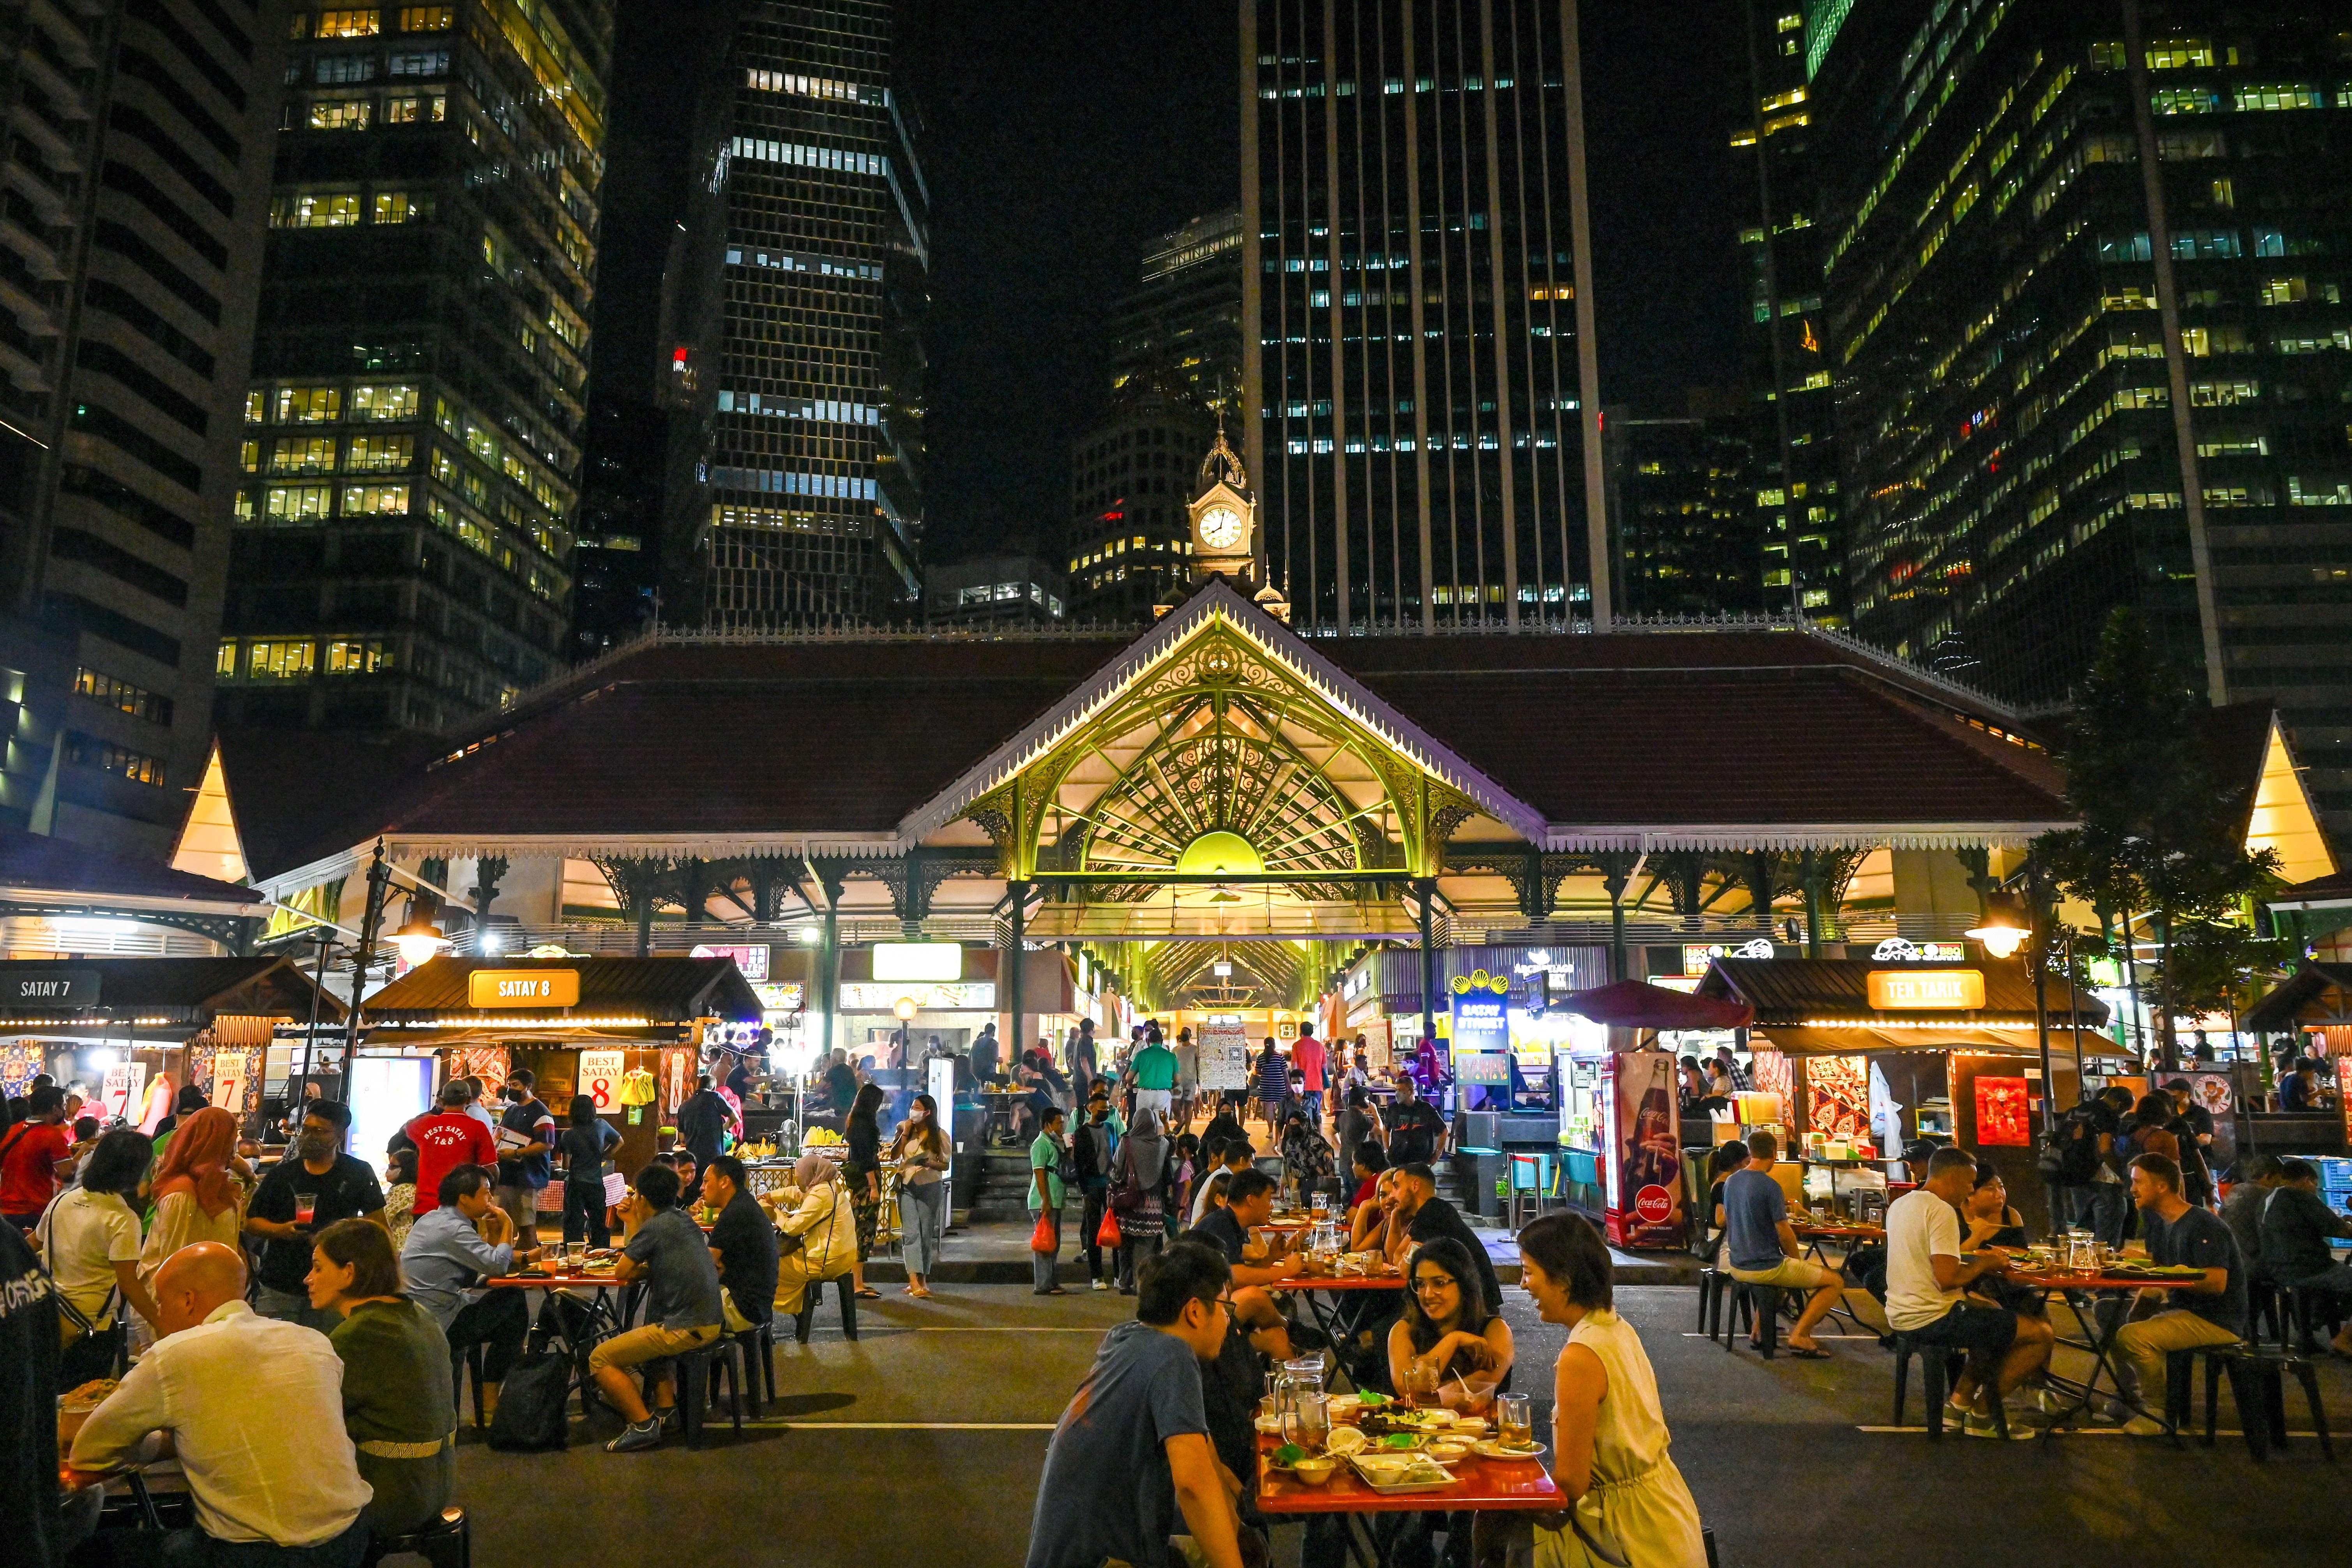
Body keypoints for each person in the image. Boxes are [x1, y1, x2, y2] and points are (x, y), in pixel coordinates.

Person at [70, 1241, 372, 1568]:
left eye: (160, 1302)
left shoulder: (175, 1355)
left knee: (96, 1550)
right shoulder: (314, 1342)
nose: (157, 1314)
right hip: (350, 1540)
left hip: (257, 1556)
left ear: (188, 1300)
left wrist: (153, 1445)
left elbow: (89, 1451)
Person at [1490, 1213, 1708, 1568]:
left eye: (1529, 1272)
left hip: (1624, 1535)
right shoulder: (1615, 1328)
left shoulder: (1580, 1355)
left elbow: (1571, 1484)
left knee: (1498, 1530)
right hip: (1667, 1517)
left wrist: (1508, 1492)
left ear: (1563, 1280)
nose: (1523, 1284)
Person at [1024, 1241, 1247, 1568]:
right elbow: (1193, 1486)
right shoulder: (1173, 1357)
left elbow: (1205, 1453)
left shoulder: (1127, 1338)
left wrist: (1238, 1520)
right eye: (1226, 1307)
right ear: (1195, 1311)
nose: (1229, 1320)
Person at [1884, 1147, 2051, 1438]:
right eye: (1969, 1182)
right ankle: (1984, 1414)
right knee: (2041, 1334)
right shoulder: (1941, 1211)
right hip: (1934, 1318)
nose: (1970, 1190)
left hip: (1900, 1313)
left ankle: (1959, 1405)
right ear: (1953, 1177)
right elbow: (1948, 1279)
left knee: (1991, 1314)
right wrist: (1987, 1261)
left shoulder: (1901, 1204)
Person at [307, 1218, 454, 1539]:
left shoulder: (361, 1332)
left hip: (392, 1496)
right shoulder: (418, 1315)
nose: (308, 1279)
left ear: (349, 1272)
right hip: (435, 1483)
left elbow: (317, 1420)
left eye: (318, 1268)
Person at [2102, 1152, 2248, 1434]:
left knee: (2132, 1336)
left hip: (2215, 1318)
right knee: (2108, 1312)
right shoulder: (2160, 1222)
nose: (2132, 1189)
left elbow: (2217, 1282)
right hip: (2181, 1310)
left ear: (2162, 1186)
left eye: (2138, 1182)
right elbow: (2158, 1274)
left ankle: (2160, 1412)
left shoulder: (2203, 1224)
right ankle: (2131, 1397)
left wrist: (2164, 1278)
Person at [593, 1161, 724, 1452]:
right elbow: (650, 1260)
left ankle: (642, 1425)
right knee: (648, 1335)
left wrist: (631, 1222)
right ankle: (667, 1410)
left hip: (688, 1325)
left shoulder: (656, 1226)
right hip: (710, 1319)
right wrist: (633, 1222)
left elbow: (622, 1271)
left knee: (600, 1358)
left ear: (642, 1197)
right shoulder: (681, 1219)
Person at [401, 1162, 538, 1425]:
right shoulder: (454, 1229)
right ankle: (491, 1401)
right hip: (438, 1321)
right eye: (486, 1192)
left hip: (418, 1313)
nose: (490, 1199)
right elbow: (497, 1265)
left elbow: (478, 1269)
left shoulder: (431, 1219)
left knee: (509, 1310)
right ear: (464, 1198)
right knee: (513, 1302)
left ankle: (492, 1396)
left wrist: (499, 1241)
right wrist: (508, 1226)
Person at [244, 1100, 387, 1333]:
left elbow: (378, 1227)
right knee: (274, 1355)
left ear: (340, 1136)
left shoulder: (358, 1173)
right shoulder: (283, 1175)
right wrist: (280, 1231)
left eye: (319, 1131)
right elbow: (252, 1222)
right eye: (306, 1129)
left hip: (334, 1288)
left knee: (327, 1353)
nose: (308, 1137)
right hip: (281, 1284)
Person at [1718, 1130, 1844, 1357]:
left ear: (1751, 1152)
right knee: (1835, 1281)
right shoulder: (1770, 1186)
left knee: (1780, 1278)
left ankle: (1758, 1331)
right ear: (1774, 1154)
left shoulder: (1731, 1182)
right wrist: (1797, 1261)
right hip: (1765, 1267)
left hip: (1737, 1265)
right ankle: (1801, 1336)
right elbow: (1784, 1232)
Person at [37, 1128, 160, 1358]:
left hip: (51, 1316)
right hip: (94, 1324)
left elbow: (33, 1243)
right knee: (88, 1392)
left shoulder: (61, 1201)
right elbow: (128, 1283)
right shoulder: (123, 1219)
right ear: (135, 1172)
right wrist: (161, 1323)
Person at [1388, 1236, 1513, 1411]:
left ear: (1464, 1284)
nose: (1428, 1294)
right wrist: (1453, 1340)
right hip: (1420, 1433)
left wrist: (1432, 1392)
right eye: (1420, 1284)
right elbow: (1408, 1391)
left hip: (1479, 1435)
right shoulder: (1404, 1330)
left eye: (1439, 1283)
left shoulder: (1496, 1330)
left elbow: (1472, 1393)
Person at [141, 1107, 251, 1300]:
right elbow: (171, 1262)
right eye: (229, 1140)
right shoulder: (182, 1194)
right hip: (179, 1304)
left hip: (210, 1297)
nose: (233, 1151)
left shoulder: (220, 1187)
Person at [2257, 1157, 2352, 1354]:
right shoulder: (2301, 1197)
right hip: (2308, 1268)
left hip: (2276, 1268)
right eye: (2315, 1185)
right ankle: (2345, 1339)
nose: (2315, 1190)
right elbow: (2341, 1231)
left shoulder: (2267, 1199)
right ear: (2307, 1180)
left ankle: (2319, 1325)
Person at [1388, 1162, 1504, 1314]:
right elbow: (1396, 1257)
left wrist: (1403, 1260)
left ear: (1415, 1185)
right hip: (1471, 1303)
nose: (1392, 1195)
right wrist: (1394, 1216)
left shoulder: (1432, 1214)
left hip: (1474, 1311)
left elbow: (1404, 1270)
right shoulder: (1433, 1211)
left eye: (1396, 1186)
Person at [765, 1152, 860, 1312]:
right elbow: (798, 1192)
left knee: (770, 1266)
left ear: (810, 1175)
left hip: (827, 1261)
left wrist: (774, 1213)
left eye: (798, 1176)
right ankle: (799, 1310)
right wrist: (771, 1196)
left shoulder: (821, 1195)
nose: (797, 1180)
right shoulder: (829, 1185)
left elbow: (792, 1229)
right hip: (843, 1255)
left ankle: (784, 1308)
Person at [699, 1155, 779, 1335]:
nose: (701, 1188)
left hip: (743, 1309)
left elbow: (703, 1266)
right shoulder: (744, 1204)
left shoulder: (735, 1213)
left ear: (725, 1182)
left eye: (706, 1181)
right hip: (758, 1305)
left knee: (674, 1306)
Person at [401, 1081, 498, 1221]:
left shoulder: (424, 1124)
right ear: (469, 1100)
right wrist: (490, 1196)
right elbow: (491, 1168)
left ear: (441, 1100)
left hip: (426, 1206)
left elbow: (408, 1127)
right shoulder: (478, 1128)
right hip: (463, 1207)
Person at [889, 1093, 953, 1298]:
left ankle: (923, 1279)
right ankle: (913, 1281)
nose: (913, 1111)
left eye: (918, 1108)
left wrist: (928, 1163)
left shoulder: (939, 1135)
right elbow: (894, 1155)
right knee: (911, 1234)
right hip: (906, 1185)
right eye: (912, 1107)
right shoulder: (904, 1129)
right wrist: (905, 1133)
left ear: (927, 1113)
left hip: (929, 1185)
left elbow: (945, 1164)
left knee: (926, 1235)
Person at [1108, 1107, 1175, 1294]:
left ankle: (1124, 1282)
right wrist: (1166, 1123)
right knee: (1145, 1247)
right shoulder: (1162, 1144)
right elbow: (1174, 1145)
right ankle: (1141, 1284)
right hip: (1152, 1206)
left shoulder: (1127, 1142)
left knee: (1125, 1245)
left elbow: (1116, 1172)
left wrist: (1114, 1187)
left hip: (1128, 1202)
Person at [0, 1084, 78, 1231]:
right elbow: (67, 1173)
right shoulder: (52, 1135)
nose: (65, 1110)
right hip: (36, 1209)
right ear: (55, 1109)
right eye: (63, 1106)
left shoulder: (12, 1130)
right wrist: (80, 1157)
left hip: (6, 1209)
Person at [491, 1072, 556, 1239]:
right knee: (500, 1221)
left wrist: (516, 1152)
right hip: (506, 1174)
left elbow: (547, 1144)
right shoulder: (512, 1109)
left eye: (516, 1085)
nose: (511, 1089)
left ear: (528, 1087)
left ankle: (529, 1259)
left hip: (529, 1177)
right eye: (509, 1085)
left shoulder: (541, 1112)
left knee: (525, 1223)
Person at [1072, 1086, 1123, 1292]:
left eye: (1108, 1108)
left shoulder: (1110, 1129)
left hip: (1110, 1186)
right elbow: (1079, 1163)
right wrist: (1084, 1190)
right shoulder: (1082, 1133)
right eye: (1103, 1108)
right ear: (1091, 1108)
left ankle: (1119, 1275)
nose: (1106, 1111)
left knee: (1116, 1231)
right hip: (1093, 1186)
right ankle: (1097, 1275)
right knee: (1094, 1233)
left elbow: (1116, 1154)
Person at [558, 1095, 622, 1248]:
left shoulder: (568, 1135)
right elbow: (620, 1142)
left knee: (574, 1223)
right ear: (592, 1109)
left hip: (576, 1184)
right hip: (596, 1182)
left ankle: (575, 1254)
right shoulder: (602, 1125)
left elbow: (566, 1166)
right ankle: (601, 1252)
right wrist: (605, 1154)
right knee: (599, 1221)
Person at [842, 1081, 885, 1300]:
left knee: (862, 1230)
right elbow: (866, 1157)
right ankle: (857, 1283)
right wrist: (874, 1186)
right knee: (864, 1231)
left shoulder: (853, 1121)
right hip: (865, 1185)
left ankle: (859, 1281)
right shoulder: (863, 1125)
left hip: (859, 1183)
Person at [2220, 1154, 2284, 1279]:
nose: (2280, 1184)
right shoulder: (2265, 1195)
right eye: (2278, 1179)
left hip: (2229, 1261)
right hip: (2254, 1267)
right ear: (2268, 1176)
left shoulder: (2235, 1190)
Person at [1030, 1103, 1070, 1296]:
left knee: (1053, 1243)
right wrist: (1045, 1200)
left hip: (1055, 1198)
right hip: (1044, 1200)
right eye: (1059, 1124)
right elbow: (1039, 1173)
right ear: (1047, 1125)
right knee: (1044, 1243)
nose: (1062, 1127)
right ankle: (1043, 1284)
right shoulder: (1040, 1144)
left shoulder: (1053, 1142)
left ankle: (1052, 1282)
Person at [675, 1073, 738, 1192]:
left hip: (693, 1161)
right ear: (713, 1088)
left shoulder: (684, 1106)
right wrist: (721, 1130)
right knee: (713, 1192)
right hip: (714, 1159)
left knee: (696, 1193)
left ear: (697, 1087)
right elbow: (735, 1118)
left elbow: (682, 1138)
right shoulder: (715, 1097)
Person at [2164, 1079, 2217, 1206]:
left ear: (2184, 1093)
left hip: (2203, 1162)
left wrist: (2183, 1142)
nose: (2171, 1095)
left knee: (2212, 1202)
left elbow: (2206, 1139)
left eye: (2173, 1092)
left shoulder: (2201, 1113)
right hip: (2182, 1167)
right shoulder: (2170, 1114)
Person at [1961, 1162, 2030, 1251]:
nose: (1999, 1195)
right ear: (1970, 1194)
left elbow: (2024, 1254)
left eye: (2001, 1187)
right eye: (1990, 1189)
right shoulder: (1954, 1217)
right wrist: (1976, 1237)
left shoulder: (2010, 1215)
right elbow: (1951, 1258)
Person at [1278, 1107, 1338, 1208]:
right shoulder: (1289, 1142)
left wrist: (1328, 1154)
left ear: (1304, 1124)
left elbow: (1328, 1154)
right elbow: (1287, 1164)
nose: (1293, 1125)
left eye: (1295, 1122)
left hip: (1317, 1187)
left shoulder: (1317, 1140)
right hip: (1296, 1187)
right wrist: (1282, 1188)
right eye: (1291, 1122)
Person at [1384, 1077, 1446, 1166]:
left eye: (1401, 1090)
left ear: (1410, 1092)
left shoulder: (1425, 1109)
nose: (1397, 1093)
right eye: (1397, 1090)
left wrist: (1436, 1156)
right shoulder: (1393, 1109)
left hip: (1421, 1161)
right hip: (1397, 1160)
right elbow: (1386, 1129)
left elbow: (1444, 1130)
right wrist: (1387, 1150)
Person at [1128, 1029, 1179, 1126]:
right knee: (1161, 1126)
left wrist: (1131, 1084)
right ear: (1162, 1041)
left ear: (1148, 1041)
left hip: (1144, 1094)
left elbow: (1129, 1077)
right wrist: (1171, 1086)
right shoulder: (1170, 1056)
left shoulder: (1141, 1055)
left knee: (1142, 1125)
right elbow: (1178, 1080)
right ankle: (1159, 1140)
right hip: (1163, 1094)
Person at [2121, 1093, 2180, 1164]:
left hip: (2137, 1175)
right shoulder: (2167, 1138)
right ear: (2165, 1112)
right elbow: (2175, 1170)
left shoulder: (2134, 1135)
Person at [381, 1149, 420, 1253]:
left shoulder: (401, 1191)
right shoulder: (413, 1188)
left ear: (405, 1169)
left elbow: (383, 1219)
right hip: (408, 1247)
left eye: (392, 1166)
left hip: (396, 1248)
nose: (388, 1171)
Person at [1292, 1030, 1328, 1126]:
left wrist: (1293, 1083)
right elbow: (1324, 1067)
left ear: (1301, 1032)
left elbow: (1295, 1066)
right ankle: (1316, 1133)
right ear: (1312, 1032)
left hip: (1302, 1086)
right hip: (1317, 1085)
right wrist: (1324, 1082)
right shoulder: (1320, 1046)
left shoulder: (1297, 1045)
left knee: (1302, 1113)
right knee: (1316, 1112)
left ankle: (1304, 1133)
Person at [1252, 1039, 1288, 1129]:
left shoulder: (1261, 1057)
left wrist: (1266, 1071)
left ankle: (1271, 1131)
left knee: (1269, 1109)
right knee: (1281, 1108)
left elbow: (1258, 1071)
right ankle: (1279, 1130)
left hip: (1266, 1086)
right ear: (1274, 1045)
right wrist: (1288, 1085)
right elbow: (1285, 1072)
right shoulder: (1280, 1057)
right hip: (1279, 1086)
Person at [820, 1048, 860, 1118]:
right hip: (852, 1105)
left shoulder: (833, 1071)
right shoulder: (849, 1069)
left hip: (839, 1107)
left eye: (831, 1058)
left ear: (834, 1059)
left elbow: (818, 1088)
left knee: (817, 1109)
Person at [975, 1023, 1005, 1088]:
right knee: (990, 1092)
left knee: (980, 1090)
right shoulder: (994, 1043)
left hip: (978, 1073)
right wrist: (1000, 1060)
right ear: (993, 1032)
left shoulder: (977, 1042)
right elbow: (994, 1057)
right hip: (989, 1072)